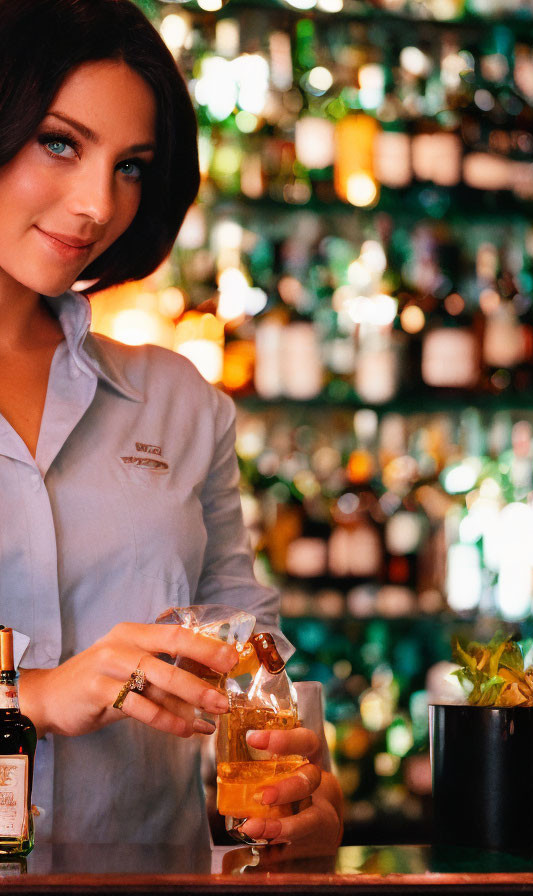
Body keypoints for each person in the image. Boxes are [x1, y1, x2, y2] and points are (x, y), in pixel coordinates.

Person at [0, 0, 342, 855]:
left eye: (131, 166)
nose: (96, 205)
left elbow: (260, 675)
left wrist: (309, 801)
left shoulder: (178, 403)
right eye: (60, 141)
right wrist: (32, 696)